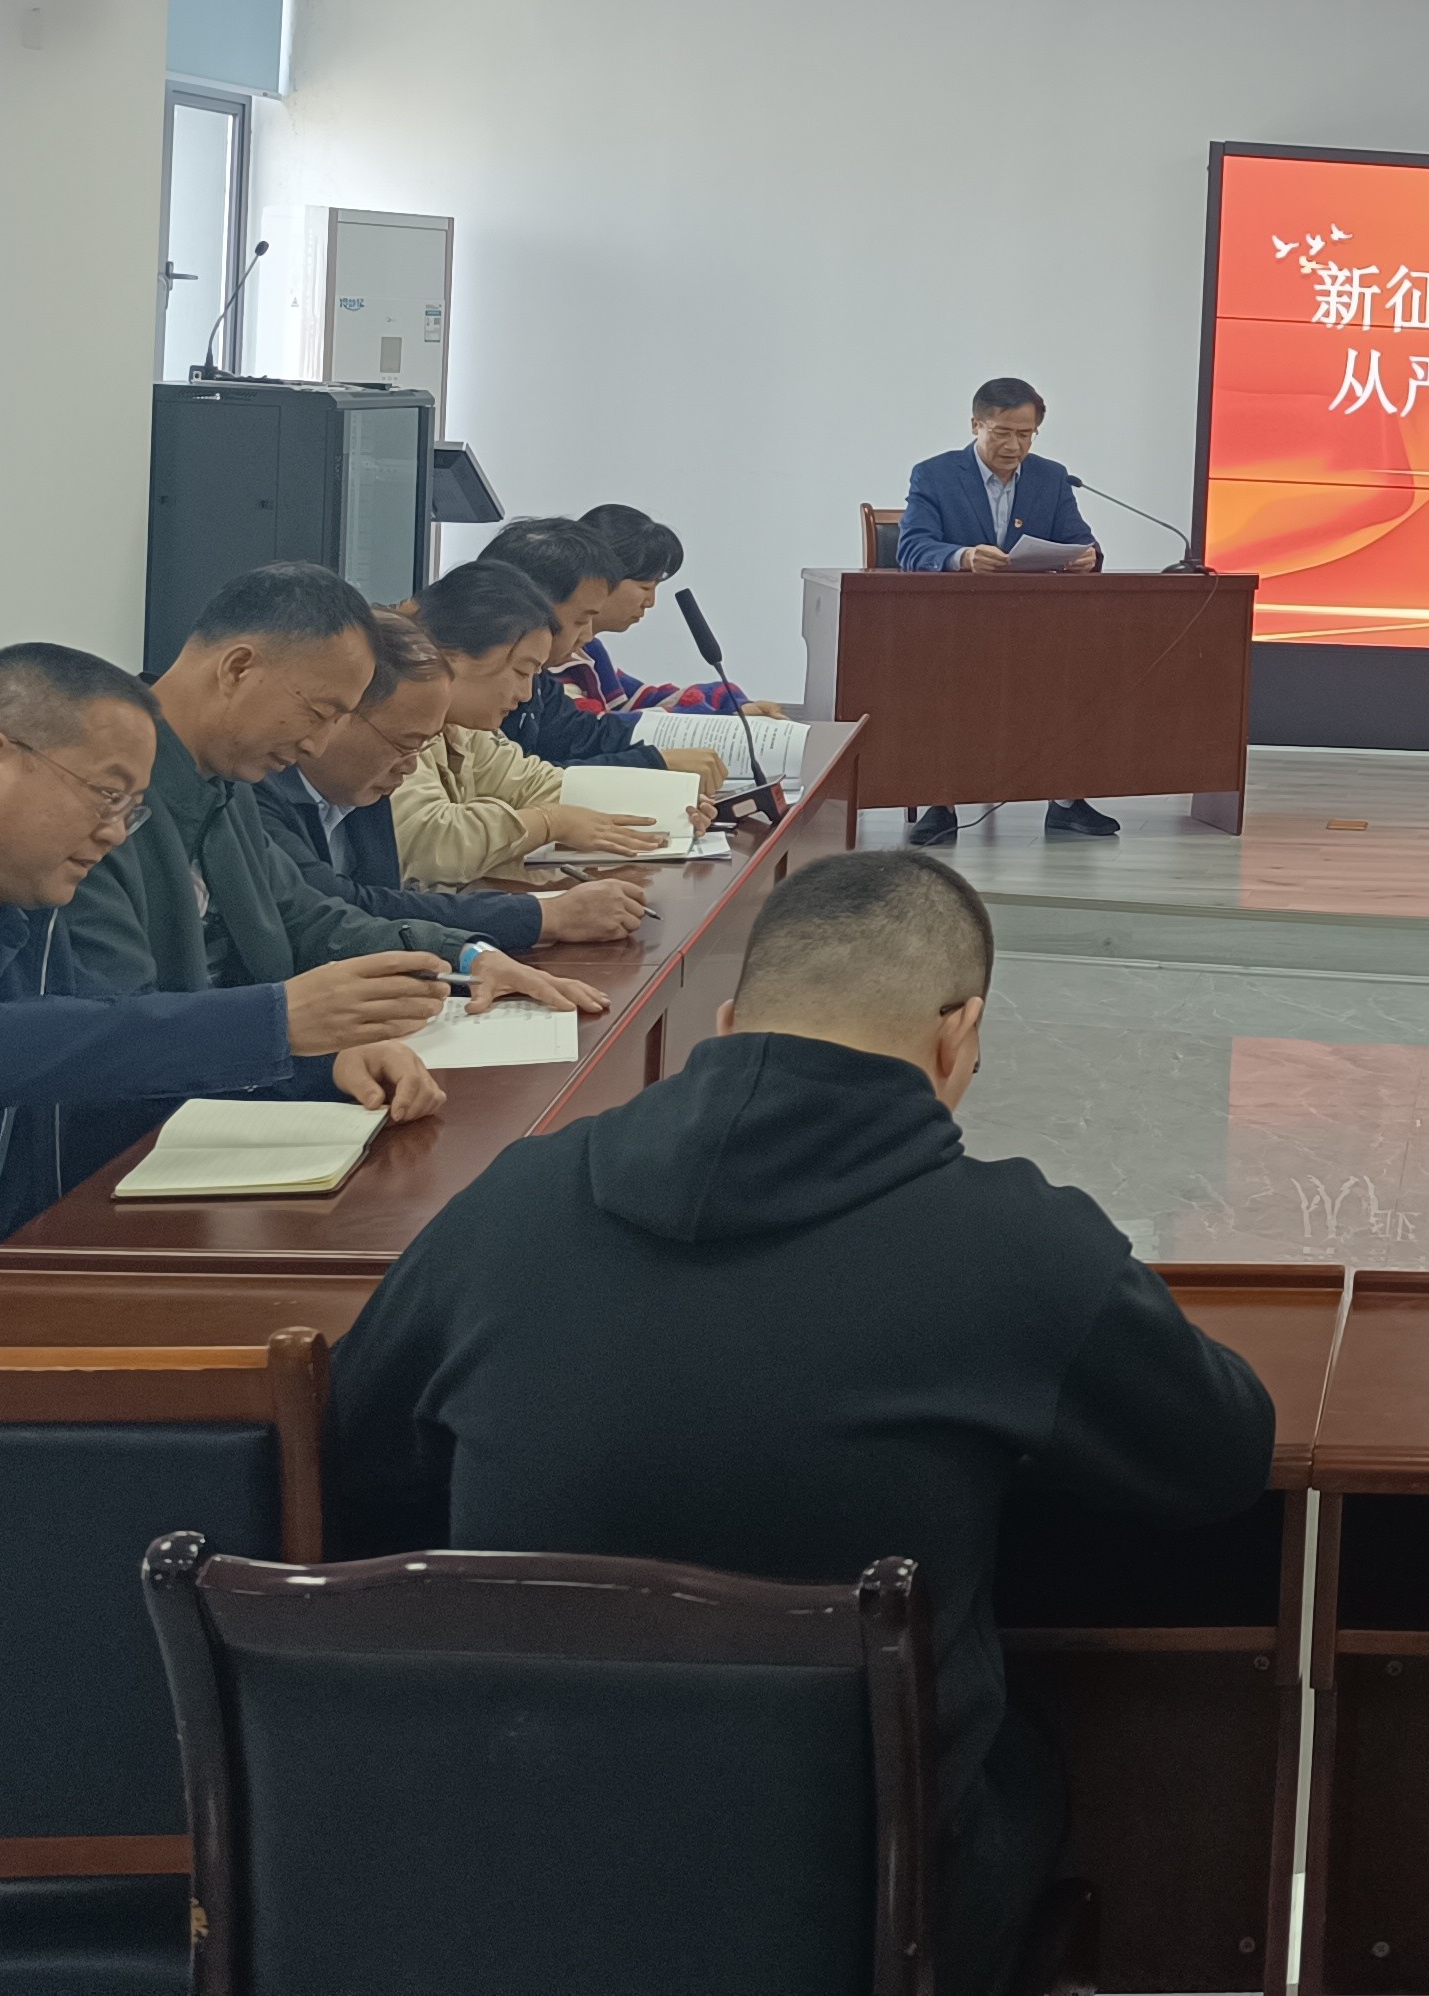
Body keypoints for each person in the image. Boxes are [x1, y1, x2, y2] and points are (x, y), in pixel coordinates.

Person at [327, 848, 1274, 1996]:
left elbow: (351, 1456)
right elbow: (1224, 1457)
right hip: (861, 1915)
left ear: (729, 1022)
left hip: (519, 1886)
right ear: (959, 1035)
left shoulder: (508, 1208)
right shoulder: (1022, 1248)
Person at [0, 644, 463, 1333]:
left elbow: (99, 1049)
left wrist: (318, 1064)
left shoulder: (12, 900)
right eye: (107, 796)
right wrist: (276, 1021)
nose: (113, 834)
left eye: (132, 810)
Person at [59, 563, 601, 1190]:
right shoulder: (96, 794)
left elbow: (306, 913)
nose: (317, 746)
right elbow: (117, 1036)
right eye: (319, 713)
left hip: (225, 1106)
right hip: (125, 1154)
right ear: (238, 669)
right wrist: (287, 1031)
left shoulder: (221, 780)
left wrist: (464, 955)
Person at [261, 608, 650, 954]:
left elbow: (382, 904)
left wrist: (473, 956)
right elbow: (345, 910)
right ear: (338, 714)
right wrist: (543, 915)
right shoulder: (261, 793)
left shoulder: (365, 780)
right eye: (405, 746)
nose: (410, 767)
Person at [390, 558, 703, 888]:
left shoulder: (460, 726)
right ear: (453, 656)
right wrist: (547, 822)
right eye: (521, 671)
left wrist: (668, 802)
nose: (526, 694)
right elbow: (430, 842)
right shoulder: (394, 716)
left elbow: (530, 782)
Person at [895, 378, 1114, 846]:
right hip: (953, 627)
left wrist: (1087, 556)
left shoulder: (1051, 477)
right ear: (976, 424)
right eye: (1002, 433)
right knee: (945, 679)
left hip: (1033, 626)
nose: (1015, 446)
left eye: (1026, 434)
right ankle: (941, 802)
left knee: (1077, 673)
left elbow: (1080, 539)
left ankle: (1066, 801)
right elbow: (912, 548)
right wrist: (963, 557)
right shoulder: (934, 475)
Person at [482, 516, 726, 797]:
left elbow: (585, 736)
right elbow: (517, 785)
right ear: (529, 609)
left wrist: (663, 763)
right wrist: (653, 764)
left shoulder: (539, 681)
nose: (587, 636)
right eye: (580, 620)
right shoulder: (475, 692)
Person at [560, 501, 771, 719]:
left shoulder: (590, 650)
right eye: (646, 587)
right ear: (598, 578)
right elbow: (598, 727)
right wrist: (717, 716)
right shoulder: (550, 661)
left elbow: (637, 701)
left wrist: (728, 701)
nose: (650, 602)